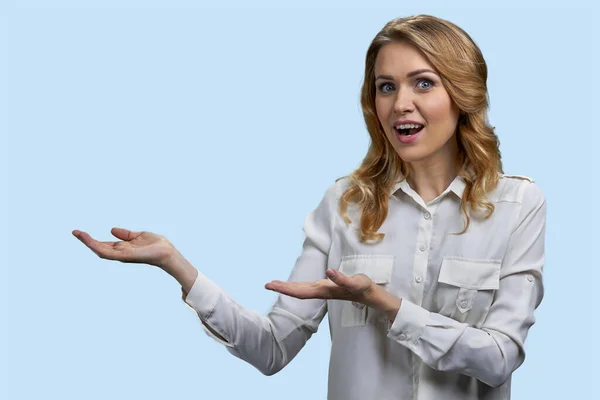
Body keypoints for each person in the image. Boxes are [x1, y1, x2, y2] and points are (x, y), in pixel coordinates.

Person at [72, 14, 546, 400]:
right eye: (386, 87)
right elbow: (273, 349)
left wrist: (385, 304)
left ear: (461, 94)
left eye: (422, 84)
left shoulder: (517, 204)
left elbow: (499, 358)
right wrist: (177, 266)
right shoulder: (344, 204)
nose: (401, 103)